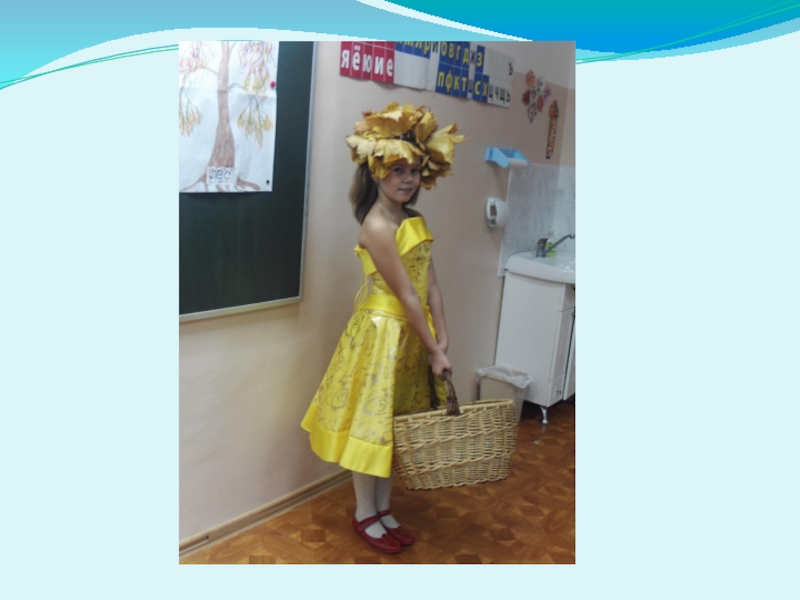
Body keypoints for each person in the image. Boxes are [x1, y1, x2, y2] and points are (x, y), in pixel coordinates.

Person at [301, 102, 464, 554]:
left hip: (410, 337)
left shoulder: (413, 220)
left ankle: (384, 508)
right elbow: (406, 295)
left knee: (396, 425)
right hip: (381, 337)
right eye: (397, 170)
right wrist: (435, 349)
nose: (407, 179)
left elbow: (431, 286)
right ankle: (363, 513)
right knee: (371, 425)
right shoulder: (375, 226)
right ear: (376, 173)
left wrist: (442, 337)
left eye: (413, 171)